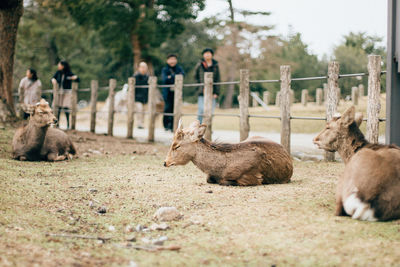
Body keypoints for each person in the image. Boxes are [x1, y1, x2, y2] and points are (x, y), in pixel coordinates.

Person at [194, 48, 220, 123]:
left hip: (212, 91)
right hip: (202, 91)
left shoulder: (216, 65)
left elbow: (218, 79)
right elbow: (195, 77)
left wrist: (216, 93)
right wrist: (199, 87)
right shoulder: (200, 64)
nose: (207, 55)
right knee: (201, 110)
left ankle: (208, 127)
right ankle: (198, 127)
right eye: (206, 53)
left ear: (212, 55)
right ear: (203, 55)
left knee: (211, 111)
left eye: (209, 53)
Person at [51, 60, 79, 129]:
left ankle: (68, 125)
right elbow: (52, 78)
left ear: (63, 66)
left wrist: (73, 78)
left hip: (66, 93)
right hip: (59, 93)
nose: (58, 66)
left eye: (59, 65)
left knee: (66, 108)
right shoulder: (58, 73)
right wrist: (53, 80)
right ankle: (57, 124)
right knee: (58, 108)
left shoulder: (68, 73)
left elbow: (77, 78)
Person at [161, 54, 184, 131]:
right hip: (167, 93)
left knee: (176, 108)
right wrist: (174, 77)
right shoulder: (165, 69)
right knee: (167, 108)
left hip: (177, 93)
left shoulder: (179, 68)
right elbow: (164, 80)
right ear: (167, 60)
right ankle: (166, 125)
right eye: (170, 59)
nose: (172, 61)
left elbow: (182, 77)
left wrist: (171, 76)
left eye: (174, 59)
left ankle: (173, 126)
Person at [133, 62, 149, 129]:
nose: (143, 69)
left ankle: (142, 123)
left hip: (145, 97)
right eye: (142, 67)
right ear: (139, 68)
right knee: (139, 109)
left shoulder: (148, 77)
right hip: (137, 97)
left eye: (144, 67)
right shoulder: (135, 76)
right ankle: (139, 123)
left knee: (143, 111)